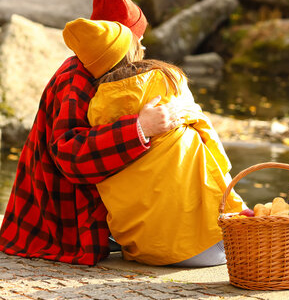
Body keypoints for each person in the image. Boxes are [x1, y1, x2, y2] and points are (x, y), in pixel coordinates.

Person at [0, 0, 180, 266]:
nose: (143, 49)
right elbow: (69, 154)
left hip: (69, 211)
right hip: (57, 223)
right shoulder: (76, 78)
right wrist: (139, 128)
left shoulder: (99, 73)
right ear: (121, 41)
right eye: (139, 41)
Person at [64, 18, 244, 266]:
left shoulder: (96, 107)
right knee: (194, 138)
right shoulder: (166, 80)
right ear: (128, 48)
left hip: (139, 249)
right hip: (203, 248)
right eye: (137, 40)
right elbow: (216, 154)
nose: (143, 46)